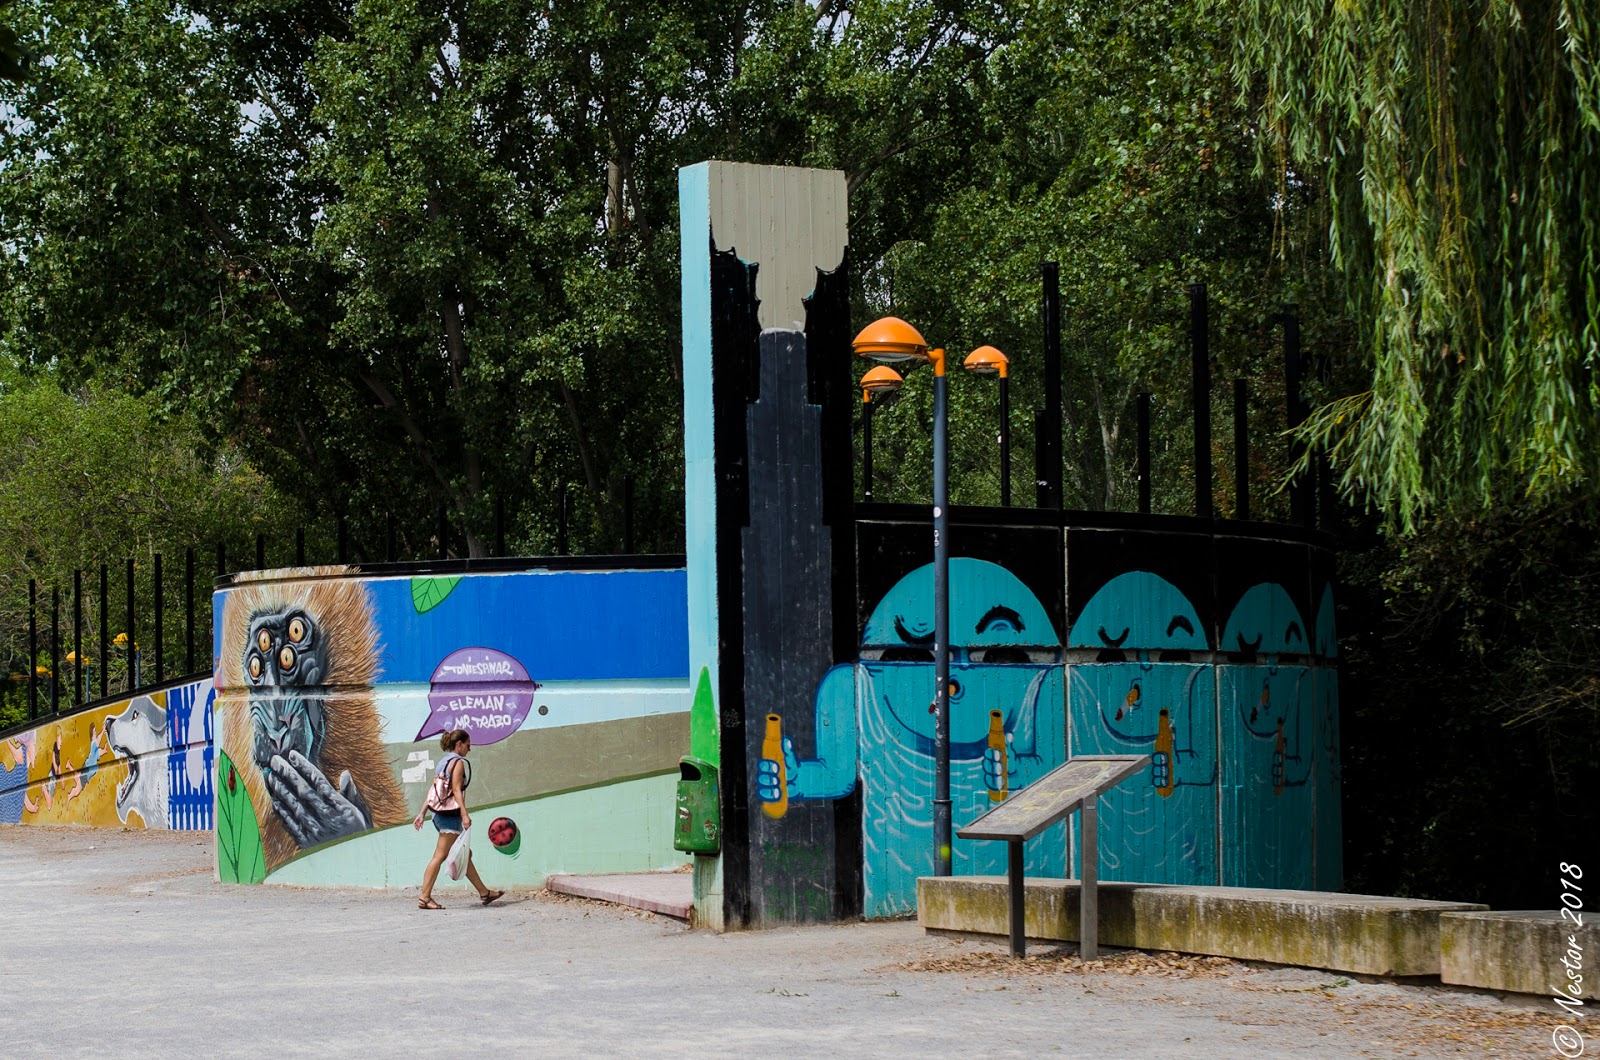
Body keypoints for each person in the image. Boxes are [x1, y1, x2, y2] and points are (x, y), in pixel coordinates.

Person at [413, 729, 504, 910]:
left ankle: (485, 893)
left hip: (439, 815)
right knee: (440, 856)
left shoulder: (443, 763)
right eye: (468, 745)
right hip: (450, 817)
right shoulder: (459, 763)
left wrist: (422, 813)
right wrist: (464, 814)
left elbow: (434, 790)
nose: (469, 750)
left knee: (465, 854)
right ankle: (424, 897)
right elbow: (455, 789)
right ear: (459, 744)